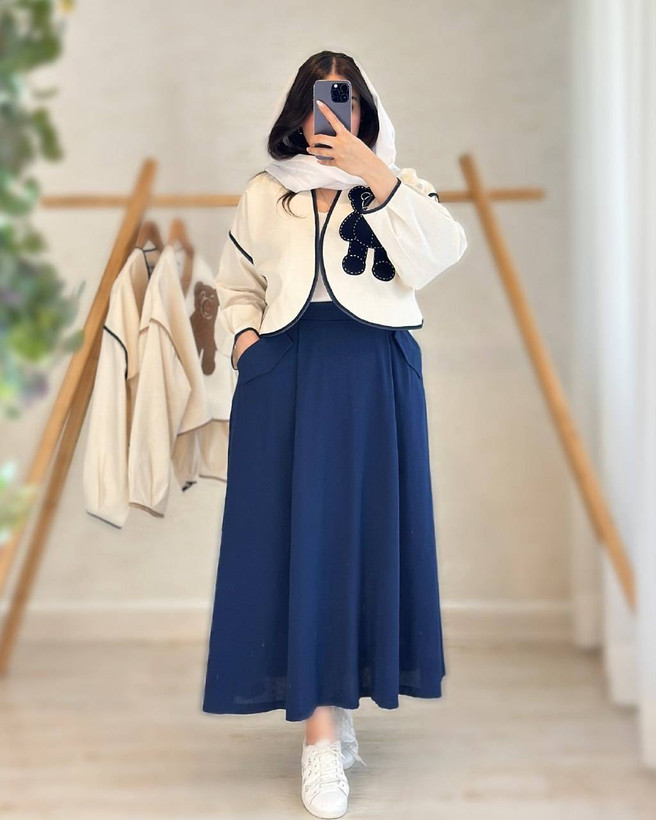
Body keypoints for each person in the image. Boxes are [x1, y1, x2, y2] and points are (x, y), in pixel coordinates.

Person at [202, 50, 467, 819]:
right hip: (285, 374)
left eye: (345, 103)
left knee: (361, 539)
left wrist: (371, 172)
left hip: (375, 374)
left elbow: (441, 254)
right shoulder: (265, 193)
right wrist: (247, 346)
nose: (332, 118)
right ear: (298, 110)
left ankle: (338, 707)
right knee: (293, 544)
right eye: (321, 103)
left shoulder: (399, 186)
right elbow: (236, 287)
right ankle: (319, 738)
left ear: (364, 111)